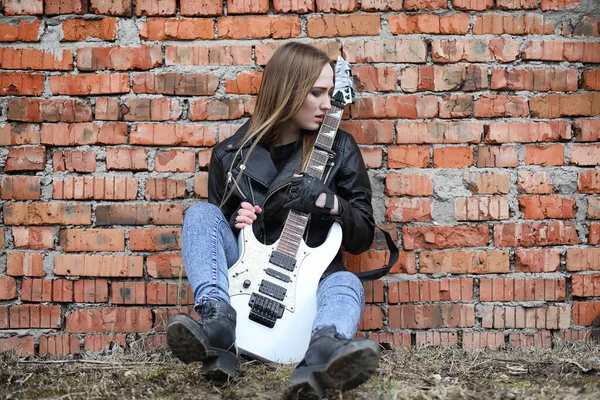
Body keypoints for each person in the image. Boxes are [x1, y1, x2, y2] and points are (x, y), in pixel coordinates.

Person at [166, 42, 380, 399]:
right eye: (316, 93)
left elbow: (363, 236)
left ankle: (324, 351)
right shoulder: (229, 155)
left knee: (345, 283)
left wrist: (327, 201)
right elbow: (212, 241)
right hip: (248, 287)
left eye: (330, 93)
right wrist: (236, 219)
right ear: (287, 90)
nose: (327, 104)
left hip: (307, 289)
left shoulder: (340, 148)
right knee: (201, 215)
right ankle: (217, 324)